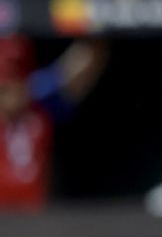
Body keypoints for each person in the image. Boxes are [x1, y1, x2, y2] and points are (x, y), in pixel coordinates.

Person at [0, 34, 109, 211]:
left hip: (36, 217)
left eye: (17, 82)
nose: (11, 94)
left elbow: (88, 57)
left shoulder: (41, 102)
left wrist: (100, 16)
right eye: (3, 88)